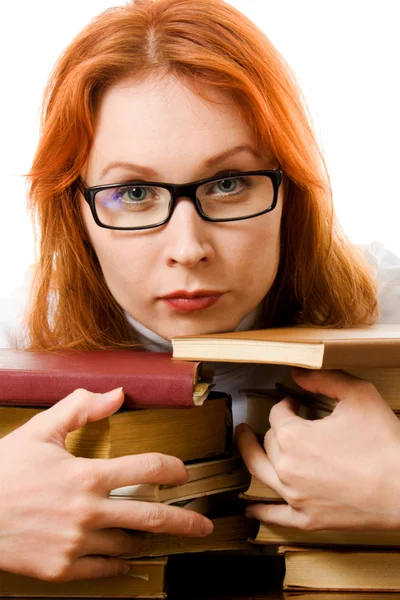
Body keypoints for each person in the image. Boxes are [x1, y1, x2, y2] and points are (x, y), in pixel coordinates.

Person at [1, 0, 400, 584]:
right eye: (134, 193)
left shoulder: (388, 302)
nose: (187, 248)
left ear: (293, 190)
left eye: (229, 183)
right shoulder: (14, 325)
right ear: (74, 207)